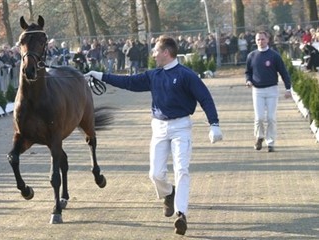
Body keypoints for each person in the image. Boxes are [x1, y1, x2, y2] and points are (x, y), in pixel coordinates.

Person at [85, 35, 223, 235]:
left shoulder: (186, 75)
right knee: (155, 174)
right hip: (159, 127)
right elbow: (129, 82)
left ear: (166, 53)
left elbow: (205, 98)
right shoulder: (154, 75)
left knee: (181, 170)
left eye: (156, 50)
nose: (154, 54)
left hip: (181, 127)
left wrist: (214, 124)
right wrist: (101, 75)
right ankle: (168, 193)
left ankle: (181, 213)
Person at [245, 31, 292, 152]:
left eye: (262, 39)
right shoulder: (251, 56)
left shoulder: (274, 55)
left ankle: (270, 142)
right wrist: (248, 81)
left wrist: (288, 89)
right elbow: (248, 72)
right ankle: (259, 137)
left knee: (271, 117)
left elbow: (283, 72)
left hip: (272, 90)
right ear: (255, 41)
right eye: (258, 39)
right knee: (259, 117)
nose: (260, 41)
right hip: (257, 90)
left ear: (268, 40)